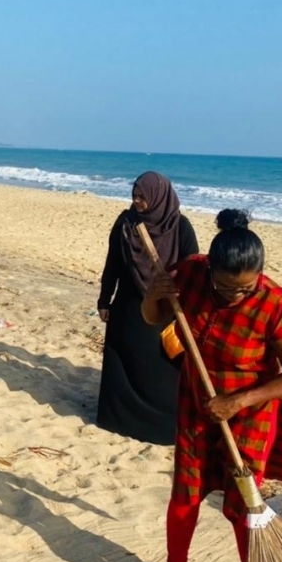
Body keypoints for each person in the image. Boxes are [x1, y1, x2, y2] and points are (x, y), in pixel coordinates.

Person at [140, 209, 282, 562]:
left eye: (245, 288)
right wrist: (153, 293)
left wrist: (237, 401)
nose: (234, 295)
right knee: (185, 494)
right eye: (224, 286)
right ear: (211, 269)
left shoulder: (279, 307)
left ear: (260, 275)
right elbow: (154, 317)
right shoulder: (193, 273)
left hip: (250, 413)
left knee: (242, 510)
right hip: (196, 403)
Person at [96, 173, 199, 444]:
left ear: (158, 196)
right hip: (130, 304)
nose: (138, 202)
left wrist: (185, 300)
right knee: (125, 360)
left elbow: (192, 268)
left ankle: (162, 426)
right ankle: (119, 419)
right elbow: (114, 264)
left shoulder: (180, 226)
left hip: (165, 307)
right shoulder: (126, 223)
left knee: (161, 365)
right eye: (135, 196)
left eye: (143, 197)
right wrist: (104, 300)